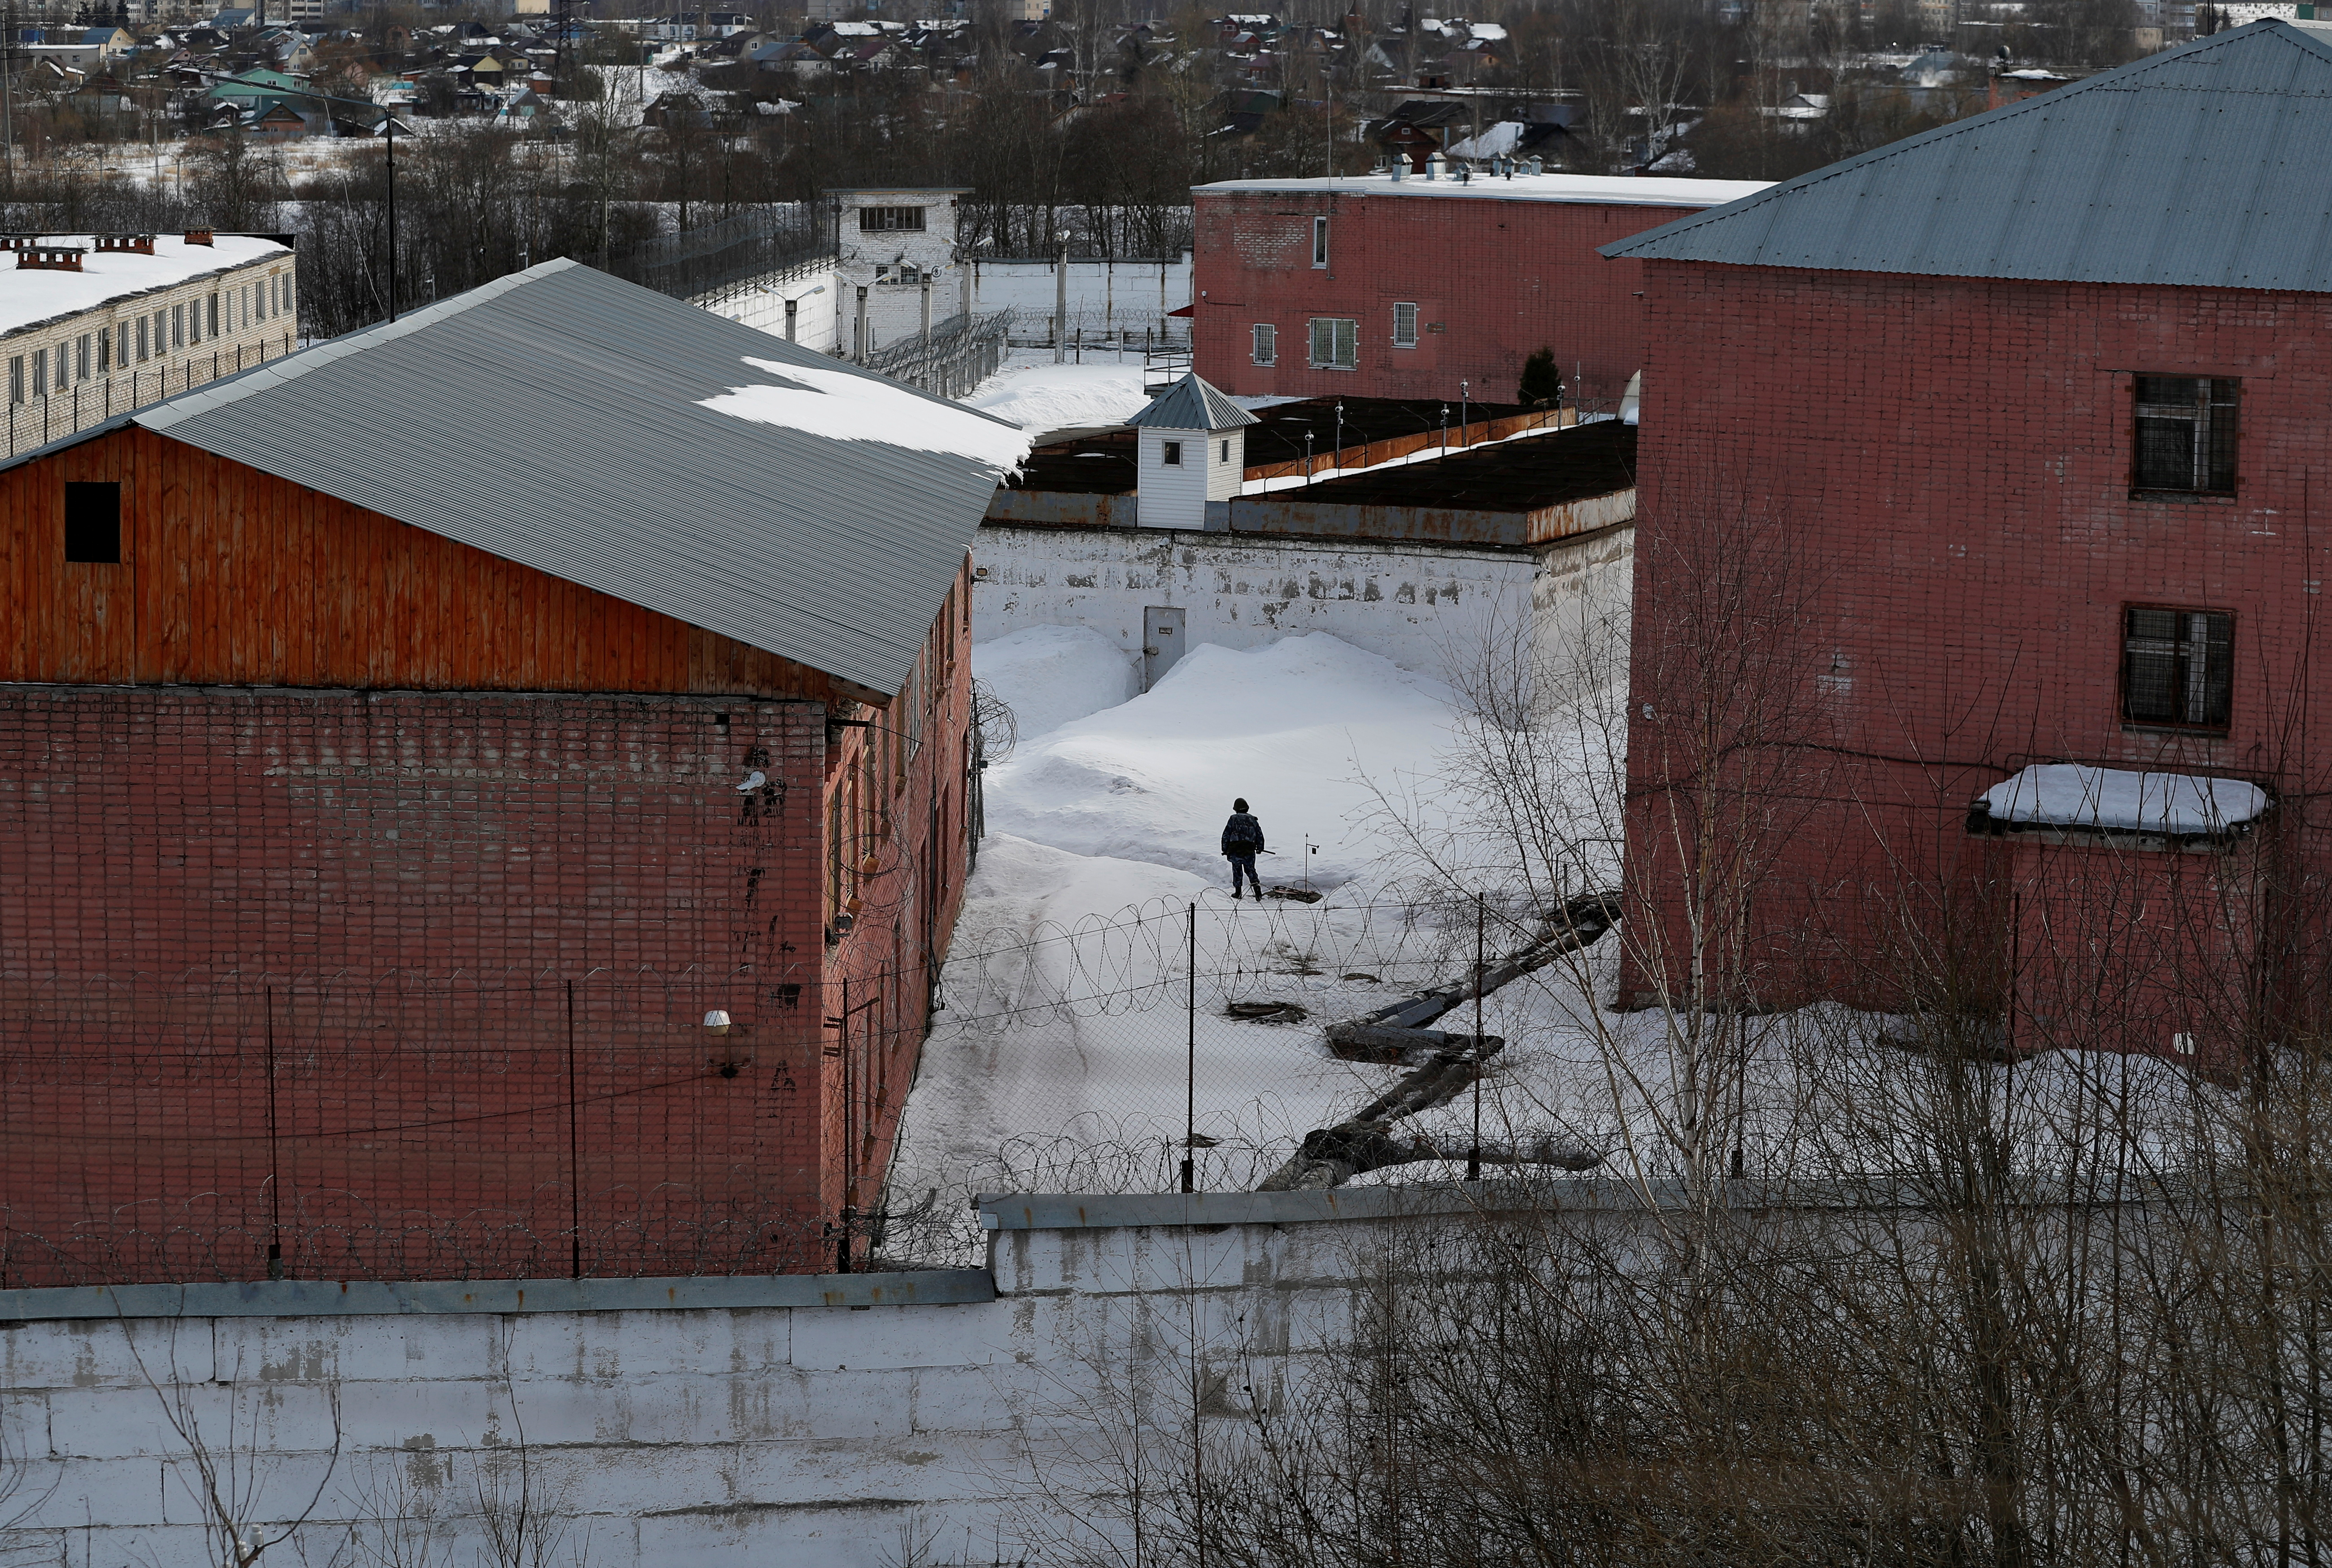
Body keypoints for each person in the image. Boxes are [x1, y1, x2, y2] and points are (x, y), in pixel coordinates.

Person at [1221, 797, 1265, 900]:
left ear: (1236, 809)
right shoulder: (1253, 820)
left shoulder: (1233, 819)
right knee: (1250, 870)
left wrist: (1225, 849)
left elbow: (1226, 834)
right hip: (1249, 850)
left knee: (1237, 870)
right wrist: (1260, 848)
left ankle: (1238, 893)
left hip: (1235, 850)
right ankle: (1257, 889)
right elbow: (1259, 834)